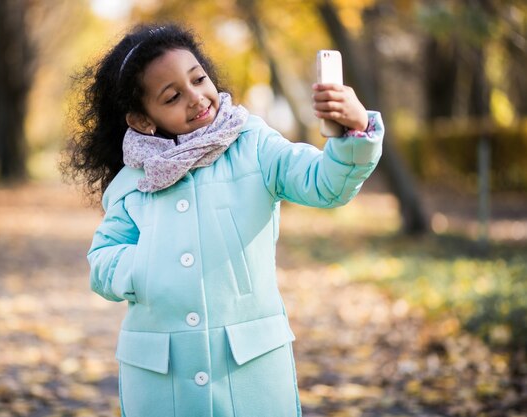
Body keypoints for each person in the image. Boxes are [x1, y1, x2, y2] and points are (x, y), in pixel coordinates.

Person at [63, 22, 384, 417]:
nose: (197, 97)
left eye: (198, 79)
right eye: (173, 96)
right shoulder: (134, 183)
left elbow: (324, 185)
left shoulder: (254, 144)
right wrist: (143, 269)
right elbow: (103, 260)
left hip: (249, 372)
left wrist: (355, 128)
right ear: (142, 120)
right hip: (162, 381)